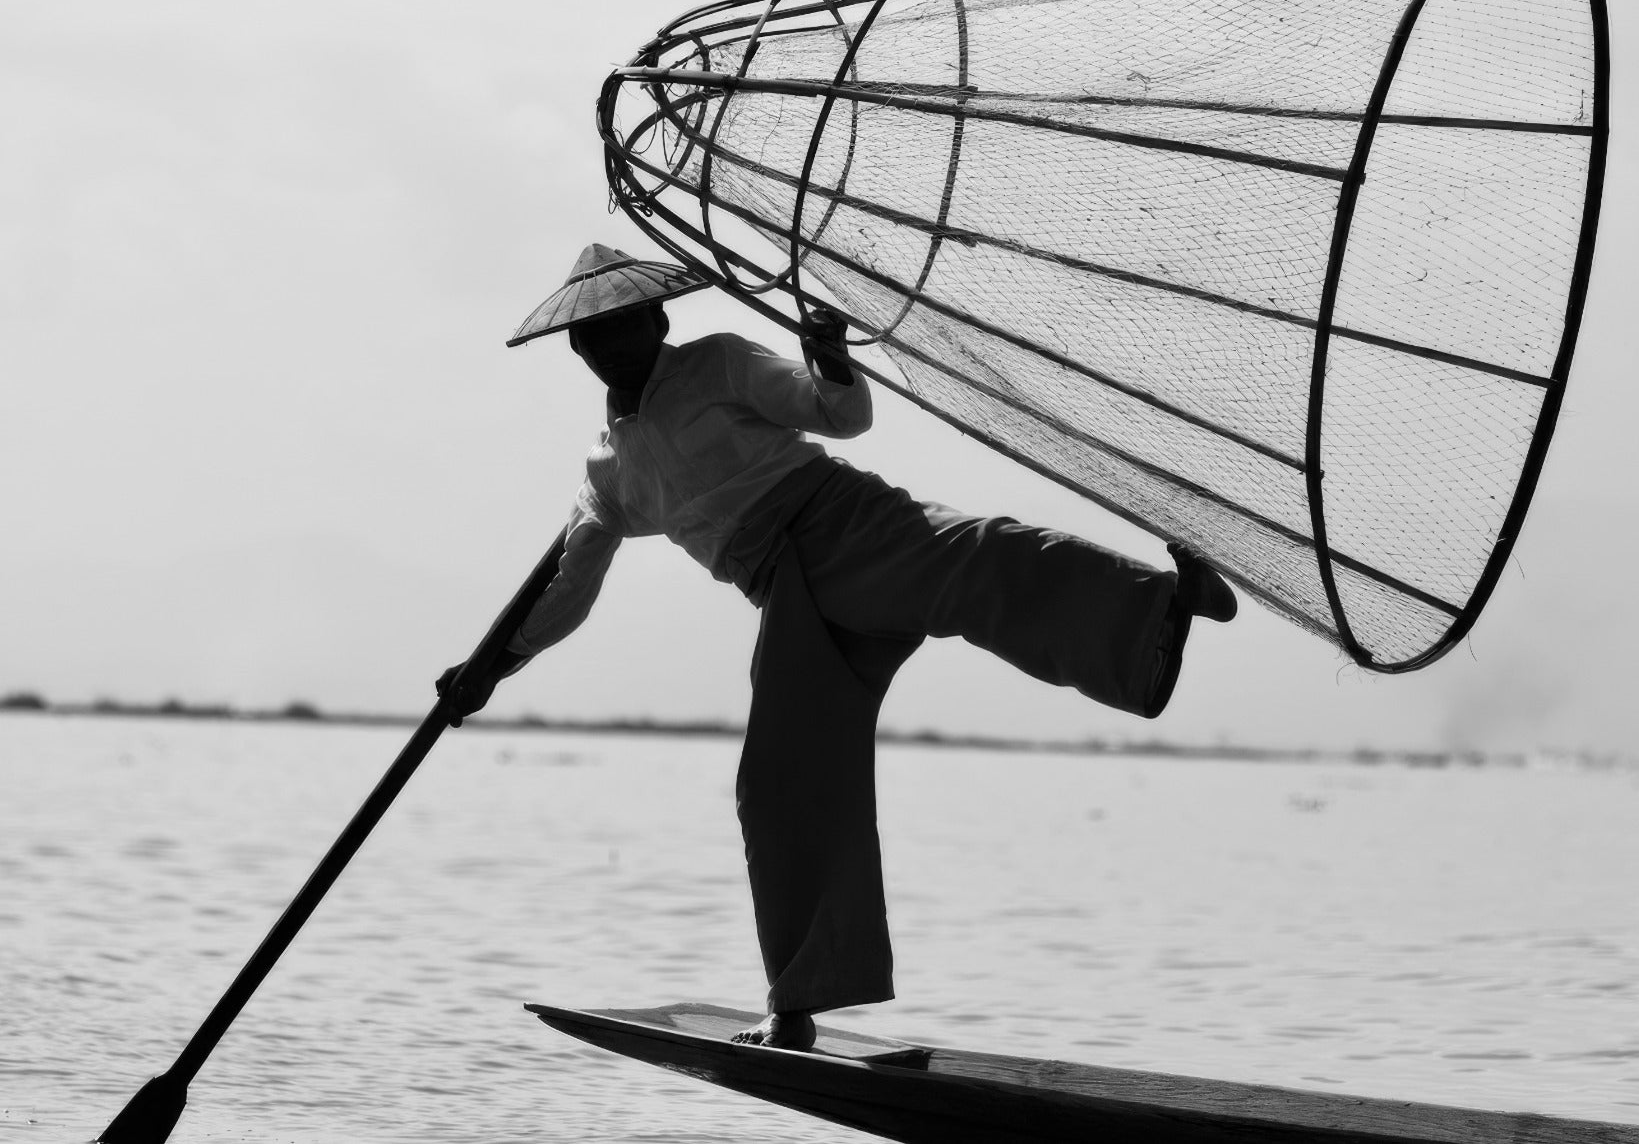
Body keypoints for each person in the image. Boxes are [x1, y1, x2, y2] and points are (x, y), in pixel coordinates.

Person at [438, 244, 1236, 1050]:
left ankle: (1163, 608)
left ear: (659, 319)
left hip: (844, 526)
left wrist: (830, 362)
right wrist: (490, 671)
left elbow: (836, 415)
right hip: (787, 598)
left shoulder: (716, 364)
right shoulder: (607, 469)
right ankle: (796, 1005)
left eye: (623, 326)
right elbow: (567, 589)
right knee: (780, 786)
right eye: (593, 337)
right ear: (577, 350)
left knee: (981, 560)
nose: (609, 345)